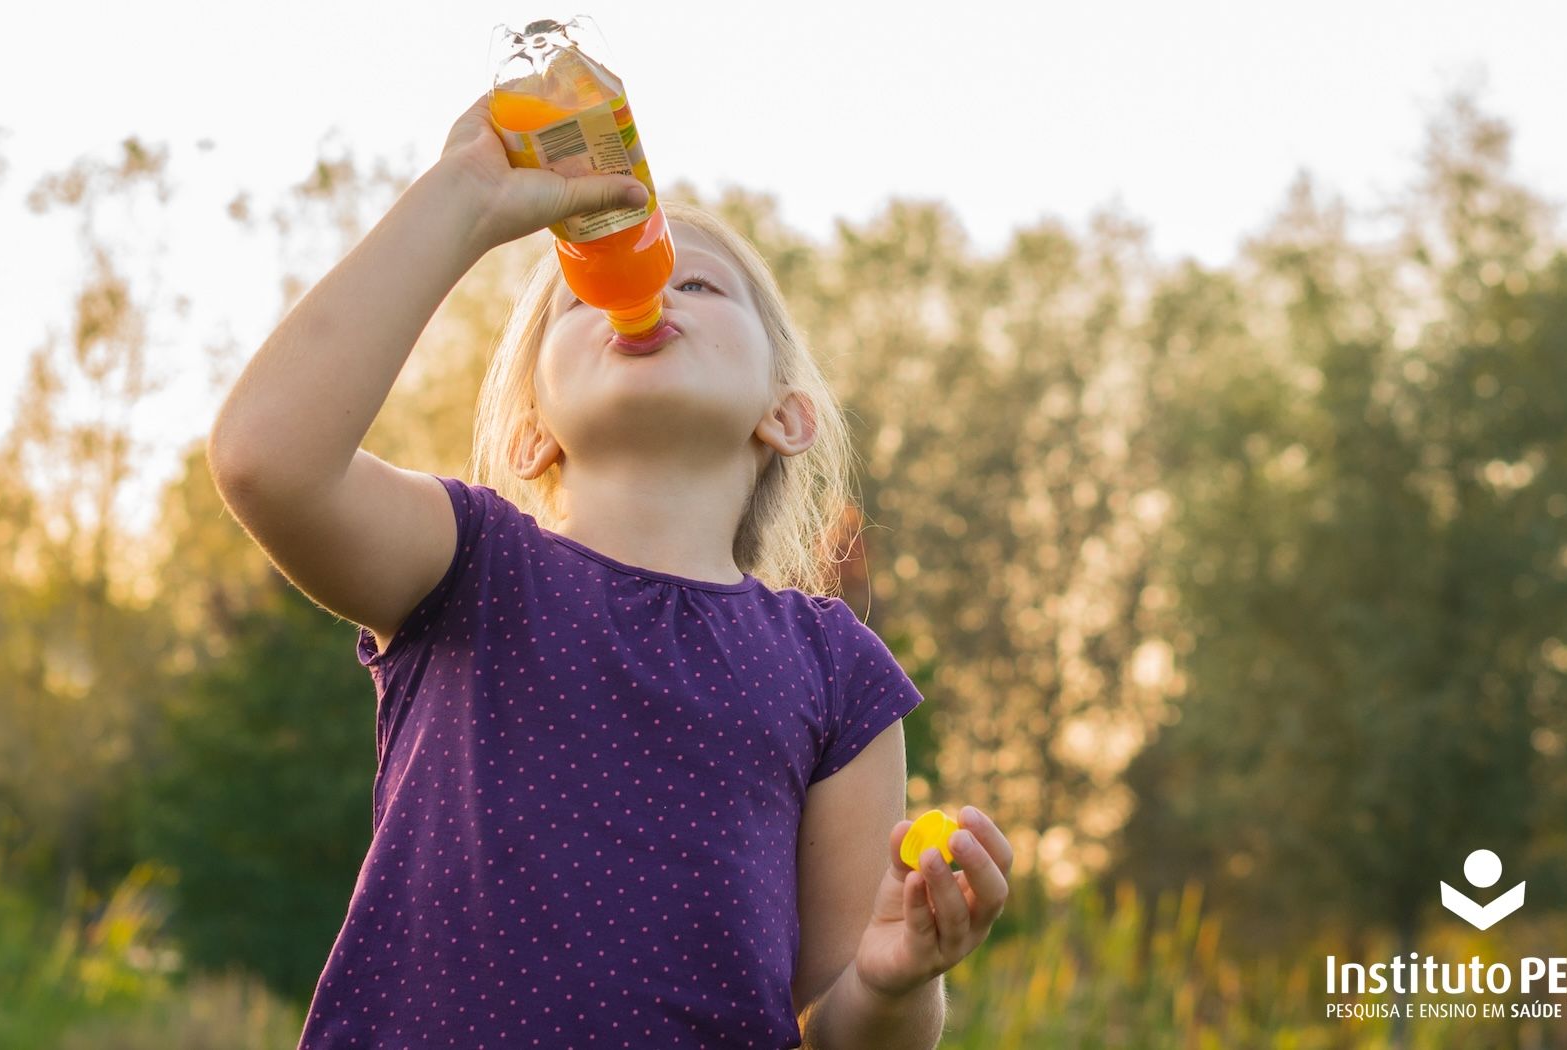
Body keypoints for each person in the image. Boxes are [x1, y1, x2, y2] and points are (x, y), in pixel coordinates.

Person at [208, 90, 1014, 1049]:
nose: (649, 284)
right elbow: (265, 458)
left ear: (785, 415)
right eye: (580, 291)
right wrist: (460, 198)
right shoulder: (468, 567)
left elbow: (840, 1018)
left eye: (701, 285)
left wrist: (889, 983)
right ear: (528, 434)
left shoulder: (835, 671)